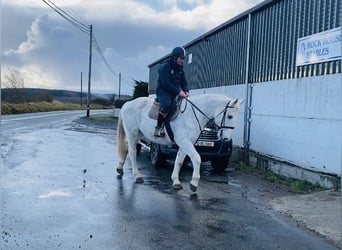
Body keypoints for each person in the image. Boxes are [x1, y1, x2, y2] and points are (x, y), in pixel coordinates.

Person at [154, 46, 189, 137]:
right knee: (166, 105)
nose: (182, 61)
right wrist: (179, 92)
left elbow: (184, 82)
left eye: (183, 59)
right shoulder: (164, 67)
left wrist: (186, 90)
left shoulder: (180, 69)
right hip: (163, 92)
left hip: (174, 92)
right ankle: (158, 128)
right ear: (174, 57)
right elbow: (165, 83)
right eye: (181, 58)